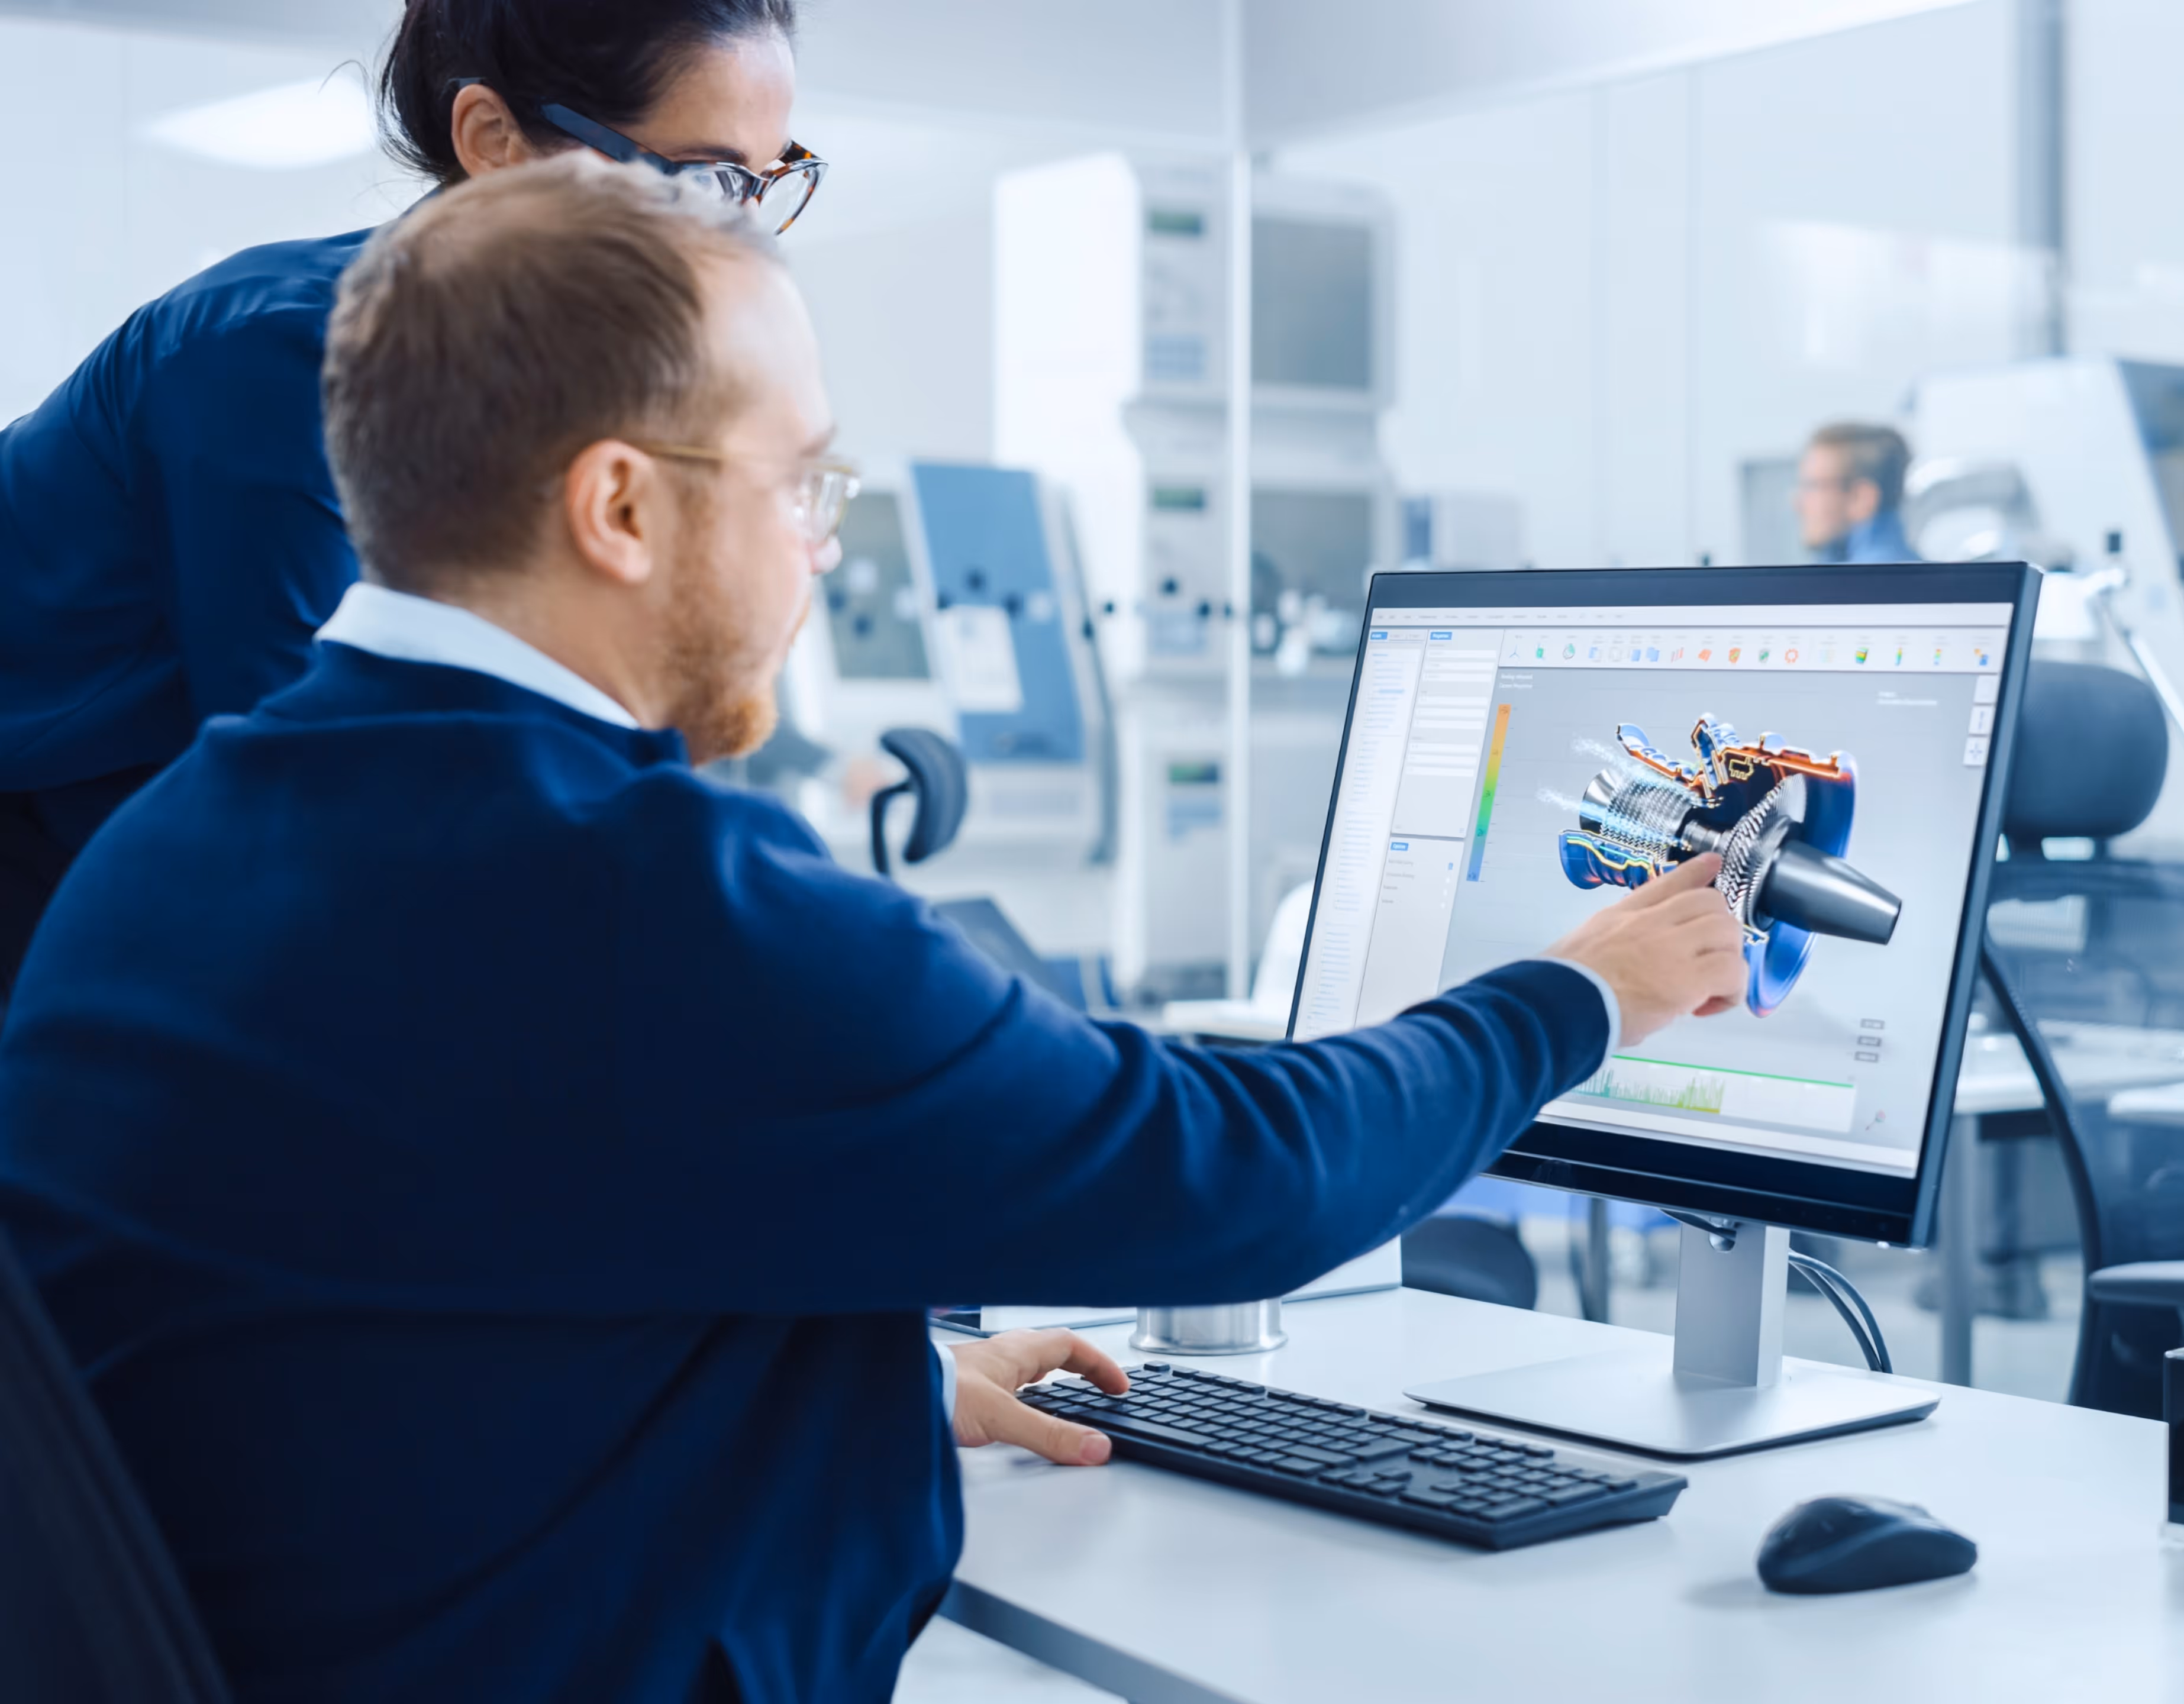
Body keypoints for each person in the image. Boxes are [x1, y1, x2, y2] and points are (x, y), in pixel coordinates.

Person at [0, 157, 1752, 1704]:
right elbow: (1236, 1177)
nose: (820, 555)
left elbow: (403, 1337)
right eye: (798, 488)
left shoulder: (167, 850)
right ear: (620, 508)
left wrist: (883, 1381)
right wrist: (1576, 994)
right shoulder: (643, 901)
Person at [0, 0, 827, 1020]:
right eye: (705, 185)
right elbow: (333, 791)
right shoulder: (284, 357)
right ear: (493, 140)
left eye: (766, 183)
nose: (745, 247)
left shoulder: (581, 402)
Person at [1794, 419, 1917, 564]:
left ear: (1861, 498)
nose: (1798, 504)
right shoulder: (1907, 572)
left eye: (1813, 487)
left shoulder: (1860, 581)